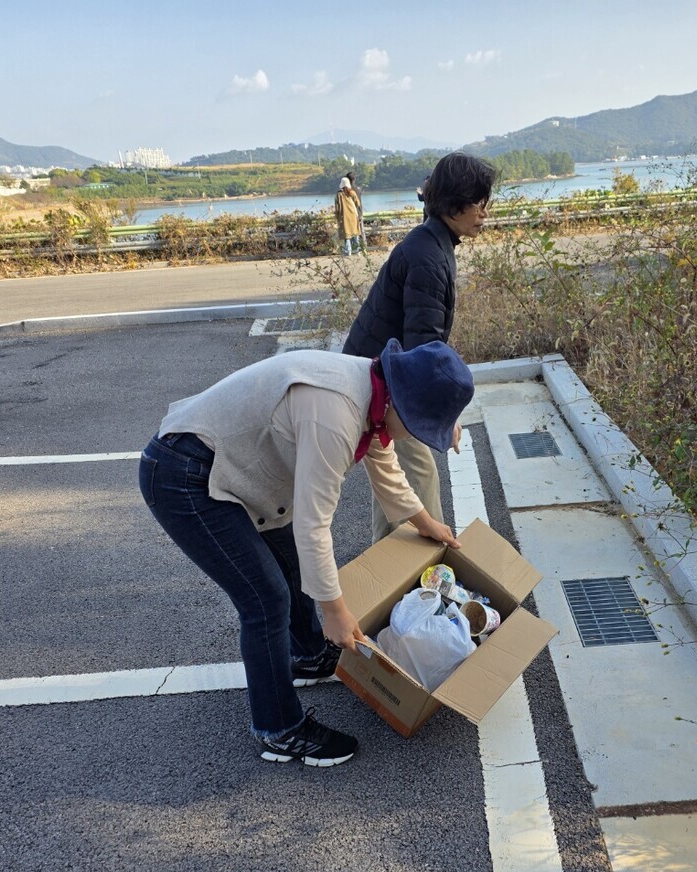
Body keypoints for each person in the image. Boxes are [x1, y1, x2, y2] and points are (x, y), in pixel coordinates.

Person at [138, 339, 475, 766]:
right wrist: (335, 610)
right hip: (184, 474)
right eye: (420, 427)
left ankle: (310, 655)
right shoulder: (336, 413)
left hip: (242, 473)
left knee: (292, 568)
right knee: (265, 599)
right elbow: (314, 525)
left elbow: (384, 465)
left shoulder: (374, 389)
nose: (415, 437)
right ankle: (279, 729)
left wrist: (424, 521)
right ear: (402, 407)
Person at [342, 151, 497, 542]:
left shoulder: (434, 241)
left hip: (378, 372)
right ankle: (432, 561)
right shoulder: (428, 255)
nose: (484, 213)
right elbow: (423, 347)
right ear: (454, 204)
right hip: (380, 378)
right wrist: (443, 413)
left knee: (392, 473)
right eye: (478, 204)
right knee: (419, 471)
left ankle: (389, 571)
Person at [334, 174, 363, 255]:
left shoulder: (339, 194)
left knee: (346, 234)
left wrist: (337, 217)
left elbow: (337, 208)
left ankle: (348, 251)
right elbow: (358, 203)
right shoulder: (352, 192)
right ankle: (357, 250)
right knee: (355, 233)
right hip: (353, 215)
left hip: (344, 217)